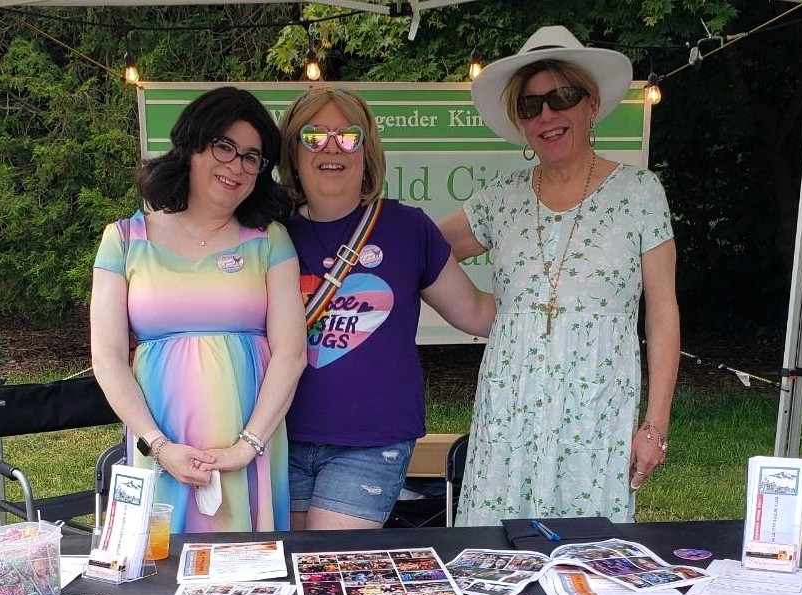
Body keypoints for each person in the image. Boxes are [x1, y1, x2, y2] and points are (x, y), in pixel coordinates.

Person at [439, 26, 680, 525]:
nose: (546, 115)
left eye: (561, 97)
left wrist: (655, 424)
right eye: (530, 106)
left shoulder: (639, 192)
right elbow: (417, 253)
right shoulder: (498, 200)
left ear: (591, 104)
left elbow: (662, 314)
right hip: (510, 403)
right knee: (492, 553)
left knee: (589, 558)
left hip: (598, 403)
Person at [277, 86, 495, 530]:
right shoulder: (267, 233)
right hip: (276, 435)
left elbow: (475, 311)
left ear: (367, 149)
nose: (332, 148)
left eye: (348, 136)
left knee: (331, 569)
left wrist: (561, 303)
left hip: (372, 439)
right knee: (288, 569)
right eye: (314, 136)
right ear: (293, 153)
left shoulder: (407, 228)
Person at [90, 86, 306, 533]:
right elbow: (107, 359)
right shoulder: (124, 239)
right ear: (190, 147)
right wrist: (158, 445)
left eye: (252, 156)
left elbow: (291, 354)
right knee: (161, 573)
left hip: (252, 450)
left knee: (253, 577)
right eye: (224, 147)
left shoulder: (269, 239)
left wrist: (247, 447)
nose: (237, 166)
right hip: (161, 447)